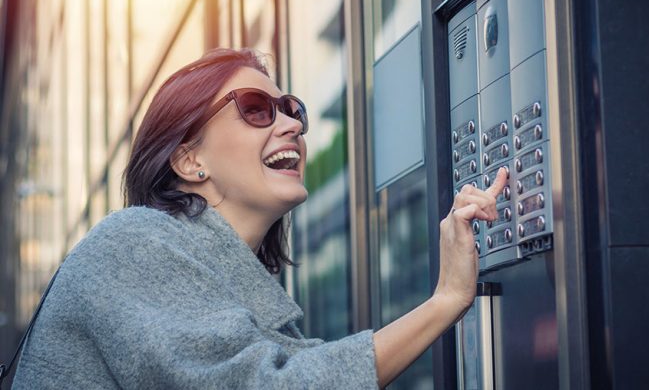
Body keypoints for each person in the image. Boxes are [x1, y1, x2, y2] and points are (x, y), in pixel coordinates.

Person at [11, 48, 507, 389]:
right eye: (255, 109)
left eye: (292, 109)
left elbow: (305, 370)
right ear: (188, 161)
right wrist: (445, 300)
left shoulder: (214, 281)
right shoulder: (133, 243)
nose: (292, 124)